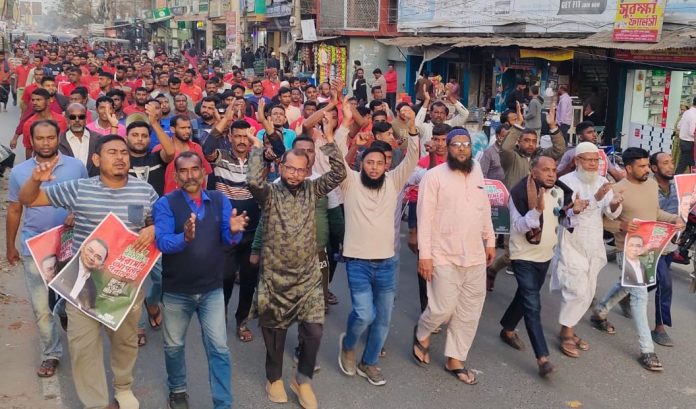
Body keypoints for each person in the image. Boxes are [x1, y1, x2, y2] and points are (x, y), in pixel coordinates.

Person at [18, 134, 159, 409]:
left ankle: (123, 387)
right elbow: (29, 199)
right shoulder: (79, 189)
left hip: (125, 284)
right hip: (81, 284)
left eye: (124, 152)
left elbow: (161, 222)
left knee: (125, 341)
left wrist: (153, 228)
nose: (120, 157)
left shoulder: (145, 191)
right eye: (112, 152)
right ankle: (95, 402)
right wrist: (35, 179)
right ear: (96, 159)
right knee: (83, 346)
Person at [247, 120, 346, 408]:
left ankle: (302, 380)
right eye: (289, 168)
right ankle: (274, 379)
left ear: (307, 171)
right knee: (275, 333)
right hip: (275, 278)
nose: (294, 174)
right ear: (281, 167)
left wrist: (329, 140)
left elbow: (339, 173)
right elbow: (253, 183)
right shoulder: (270, 194)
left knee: (314, 331)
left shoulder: (312, 189)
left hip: (308, 277)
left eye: (300, 170)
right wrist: (257, 150)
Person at [153, 151, 247, 409]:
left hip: (211, 289)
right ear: (176, 176)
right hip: (177, 291)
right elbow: (162, 242)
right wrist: (184, 238)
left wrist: (235, 231)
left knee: (219, 348)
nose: (190, 175)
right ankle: (177, 390)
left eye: (195, 169)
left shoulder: (218, 200)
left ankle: (223, 403)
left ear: (204, 172)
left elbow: (228, 238)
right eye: (183, 171)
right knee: (174, 346)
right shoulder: (166, 203)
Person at [336, 101, 419, 386]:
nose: (374, 168)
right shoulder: (350, 182)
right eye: (369, 163)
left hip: (387, 263)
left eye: (379, 163)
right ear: (362, 163)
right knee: (364, 314)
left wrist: (412, 127)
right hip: (358, 263)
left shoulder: (394, 182)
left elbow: (412, 158)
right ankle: (348, 345)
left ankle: (368, 363)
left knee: (383, 319)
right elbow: (336, 156)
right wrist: (346, 124)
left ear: (386, 165)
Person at [411, 128, 496, 385]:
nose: (461, 149)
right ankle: (422, 331)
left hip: (475, 254)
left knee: (469, 311)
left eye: (466, 144)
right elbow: (424, 218)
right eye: (456, 144)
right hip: (442, 254)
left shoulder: (477, 171)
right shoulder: (433, 176)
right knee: (442, 308)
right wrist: (425, 256)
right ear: (447, 148)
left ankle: (455, 359)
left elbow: (484, 208)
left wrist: (490, 240)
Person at [6, 119, 88, 379]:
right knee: (41, 307)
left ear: (58, 138)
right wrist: (10, 246)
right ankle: (51, 353)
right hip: (35, 246)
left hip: (71, 244)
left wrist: (76, 213)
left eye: (50, 138)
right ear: (31, 140)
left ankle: (63, 312)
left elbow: (88, 198)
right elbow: (15, 209)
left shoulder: (76, 167)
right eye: (39, 138)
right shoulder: (20, 172)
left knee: (71, 301)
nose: (45, 143)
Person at [591, 147, 681, 372]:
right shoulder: (617, 190)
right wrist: (621, 225)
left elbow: (655, 213)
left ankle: (600, 311)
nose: (646, 170)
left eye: (647, 165)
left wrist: (674, 219)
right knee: (640, 295)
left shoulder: (651, 185)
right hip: (628, 250)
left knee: (628, 285)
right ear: (629, 168)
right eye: (641, 166)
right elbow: (603, 221)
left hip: (650, 247)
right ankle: (647, 350)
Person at [499, 155, 578, 378]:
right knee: (533, 304)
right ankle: (542, 358)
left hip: (545, 256)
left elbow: (560, 218)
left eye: (554, 170)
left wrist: (574, 211)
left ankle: (507, 328)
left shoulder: (558, 192)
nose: (552, 174)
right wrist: (536, 211)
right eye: (546, 170)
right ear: (533, 172)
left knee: (524, 297)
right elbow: (518, 226)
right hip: (523, 256)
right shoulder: (519, 193)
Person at [551, 142, 623, 358]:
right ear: (577, 161)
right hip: (571, 243)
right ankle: (566, 333)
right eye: (589, 160)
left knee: (589, 290)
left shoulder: (602, 182)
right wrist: (595, 199)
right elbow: (562, 215)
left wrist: (614, 203)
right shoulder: (564, 183)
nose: (593, 164)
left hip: (593, 243)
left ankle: (569, 328)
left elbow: (610, 213)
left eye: (596, 160)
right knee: (576, 289)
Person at [487, 104, 566, 291]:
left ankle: (522, 287)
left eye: (533, 141)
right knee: (511, 253)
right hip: (515, 209)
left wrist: (553, 127)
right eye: (526, 140)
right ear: (519, 142)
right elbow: (505, 148)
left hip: (539, 209)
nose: (531, 144)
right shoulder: (511, 158)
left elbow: (559, 150)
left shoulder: (541, 158)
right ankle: (495, 271)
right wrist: (517, 126)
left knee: (529, 249)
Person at [203, 115, 263, 343]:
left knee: (249, 280)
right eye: (237, 136)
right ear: (229, 137)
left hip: (252, 231)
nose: (241, 140)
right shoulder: (220, 158)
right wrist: (226, 118)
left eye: (245, 136)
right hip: (226, 232)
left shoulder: (257, 158)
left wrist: (257, 144)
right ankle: (220, 318)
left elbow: (276, 151)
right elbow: (207, 148)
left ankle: (242, 321)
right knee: (225, 278)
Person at [405, 123, 450, 312]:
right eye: (436, 139)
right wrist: (413, 230)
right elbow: (416, 196)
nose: (440, 144)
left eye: (444, 140)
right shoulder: (423, 163)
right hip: (426, 227)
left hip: (449, 228)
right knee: (425, 268)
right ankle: (426, 309)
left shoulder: (461, 164)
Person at [649, 152, 678, 346]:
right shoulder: (648, 188)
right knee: (664, 282)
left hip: (670, 243)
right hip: (652, 242)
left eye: (671, 162)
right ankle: (659, 328)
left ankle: (621, 296)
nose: (670, 166)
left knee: (647, 282)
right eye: (665, 163)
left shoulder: (678, 187)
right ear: (654, 168)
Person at [53, 238, 110, 312]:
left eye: (98, 257)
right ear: (82, 248)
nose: (92, 258)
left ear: (101, 266)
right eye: (90, 251)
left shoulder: (92, 290)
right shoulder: (61, 266)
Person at [557, 121, 624, 181]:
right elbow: (557, 176)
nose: (594, 135)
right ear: (580, 137)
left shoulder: (601, 153)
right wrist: (570, 166)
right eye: (589, 132)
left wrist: (627, 185)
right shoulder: (571, 154)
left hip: (600, 188)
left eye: (594, 131)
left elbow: (615, 173)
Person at [415, 86, 470, 155]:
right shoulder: (425, 127)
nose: (439, 115)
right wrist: (427, 100)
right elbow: (416, 125)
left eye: (442, 113)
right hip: (427, 161)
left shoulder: (450, 125)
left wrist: (451, 98)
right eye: (436, 112)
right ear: (430, 114)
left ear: (446, 115)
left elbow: (465, 114)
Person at [675, 97, 696, 174]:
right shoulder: (694, 115)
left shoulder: (687, 112)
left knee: (691, 163)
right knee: (683, 164)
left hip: (683, 141)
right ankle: (676, 178)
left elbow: (679, 126)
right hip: (690, 143)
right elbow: (692, 132)